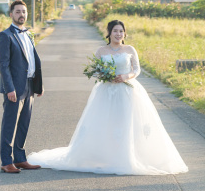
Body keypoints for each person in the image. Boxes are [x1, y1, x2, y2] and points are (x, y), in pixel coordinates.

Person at [28, 19, 188, 175]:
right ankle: (104, 155)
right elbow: (96, 70)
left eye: (121, 31)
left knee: (126, 122)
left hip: (127, 90)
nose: (118, 34)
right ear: (109, 33)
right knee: (105, 122)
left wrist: (126, 76)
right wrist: (106, 76)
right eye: (115, 31)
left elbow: (137, 69)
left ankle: (126, 156)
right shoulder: (101, 51)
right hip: (106, 91)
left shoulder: (130, 49)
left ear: (124, 33)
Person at [0, 0, 43, 173]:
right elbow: (3, 65)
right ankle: (6, 161)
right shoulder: (5, 36)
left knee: (24, 124)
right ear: (11, 14)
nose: (21, 15)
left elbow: (32, 61)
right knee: (10, 125)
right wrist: (9, 89)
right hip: (14, 89)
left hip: (30, 85)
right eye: (17, 12)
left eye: (24, 11)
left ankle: (20, 158)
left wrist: (38, 84)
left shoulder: (28, 34)